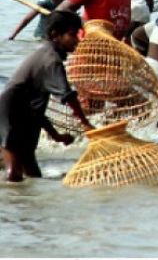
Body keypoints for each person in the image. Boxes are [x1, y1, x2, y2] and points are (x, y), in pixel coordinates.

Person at [0, 11, 94, 182]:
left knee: (33, 175)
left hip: (28, 117)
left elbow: (35, 110)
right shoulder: (51, 60)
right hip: (9, 115)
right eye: (73, 35)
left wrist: (56, 135)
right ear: (55, 35)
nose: (77, 40)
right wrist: (86, 123)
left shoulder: (49, 54)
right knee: (14, 174)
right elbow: (68, 96)